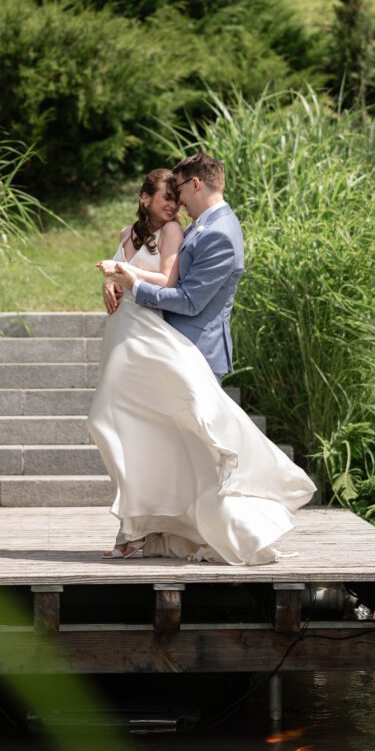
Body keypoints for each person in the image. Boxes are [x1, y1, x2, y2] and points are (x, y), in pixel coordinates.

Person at [88, 153, 316, 564]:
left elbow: (191, 300)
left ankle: (234, 533)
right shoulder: (202, 227)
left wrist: (134, 286)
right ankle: (161, 532)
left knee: (208, 452)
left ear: (196, 184)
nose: (178, 203)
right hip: (164, 348)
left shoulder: (220, 233)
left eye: (180, 191)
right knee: (172, 449)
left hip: (194, 350)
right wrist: (116, 285)